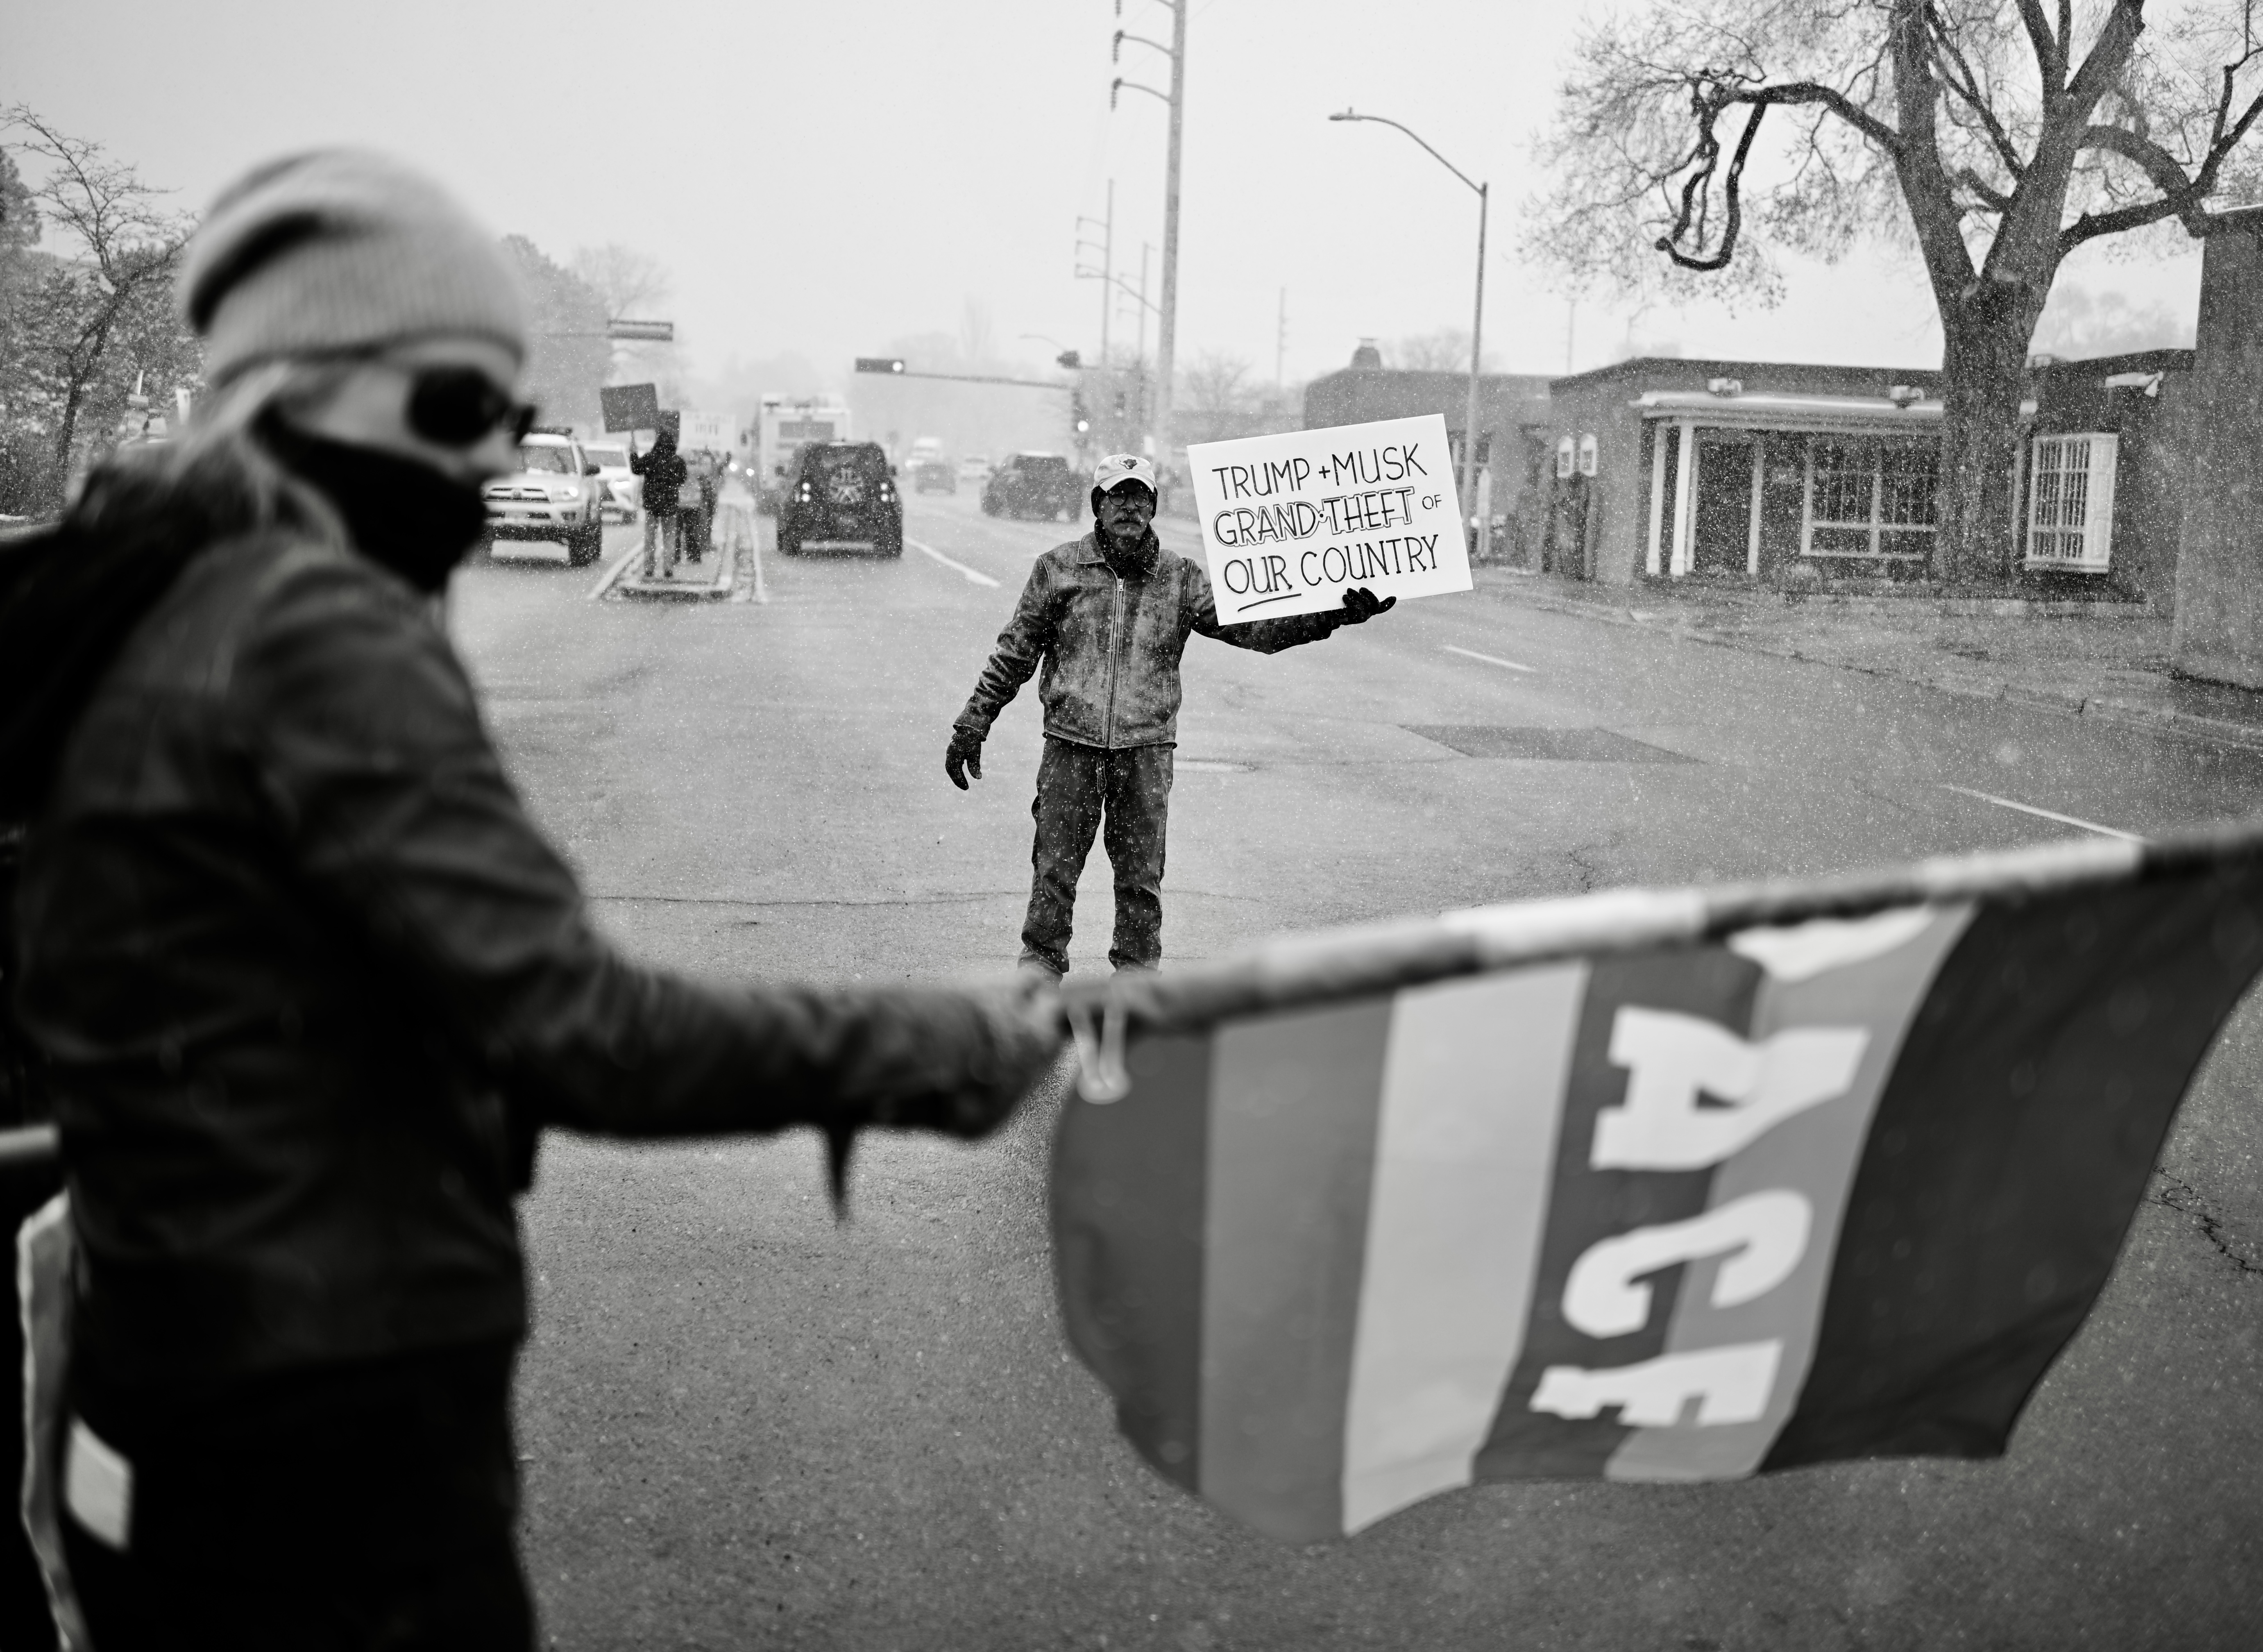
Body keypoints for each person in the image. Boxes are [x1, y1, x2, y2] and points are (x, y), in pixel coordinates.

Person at [0, 149, 1059, 1651]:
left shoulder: (143, 601)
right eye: (453, 408)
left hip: (159, 1401)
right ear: (306, 387)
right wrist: (923, 1045)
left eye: (508, 415)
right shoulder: (310, 627)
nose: (483, 457)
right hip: (329, 1455)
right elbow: (581, 1025)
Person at [946, 454, 1394, 978]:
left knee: (1140, 886)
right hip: (1071, 750)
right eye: (1118, 496)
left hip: (1146, 755)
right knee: (1053, 878)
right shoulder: (1057, 569)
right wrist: (972, 724)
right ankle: (1037, 996)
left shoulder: (1181, 579)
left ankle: (1136, 1005)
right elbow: (1014, 654)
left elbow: (1256, 631)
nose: (1130, 506)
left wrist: (1335, 613)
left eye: (1140, 497)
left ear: (1154, 506)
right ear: (1098, 504)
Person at [630, 422, 687, 577]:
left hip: (652, 505)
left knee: (650, 538)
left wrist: (633, 454)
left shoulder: (650, 458)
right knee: (670, 537)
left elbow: (636, 469)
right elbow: (682, 480)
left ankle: (649, 568)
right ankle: (668, 568)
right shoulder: (677, 461)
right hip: (670, 505)